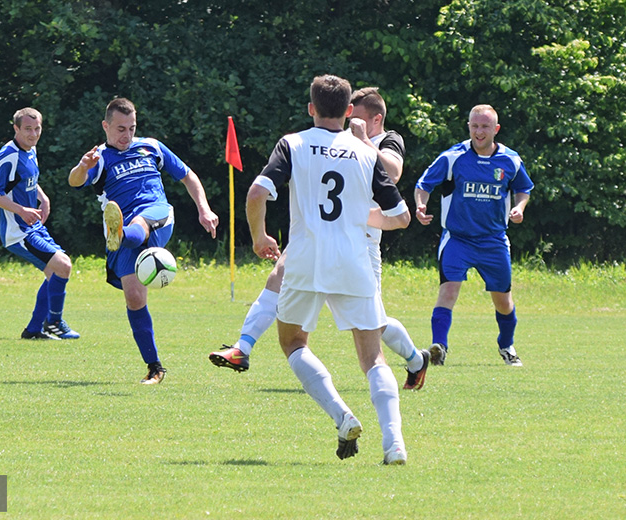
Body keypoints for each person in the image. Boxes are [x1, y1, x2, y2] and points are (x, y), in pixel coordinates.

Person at [210, 87, 430, 390]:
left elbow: (393, 172)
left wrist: (362, 139)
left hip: (360, 243)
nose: (351, 120)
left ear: (375, 120)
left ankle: (416, 359)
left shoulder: (385, 141)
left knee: (373, 324)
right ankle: (242, 348)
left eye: (359, 117)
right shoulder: (331, 142)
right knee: (278, 276)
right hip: (319, 235)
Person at [245, 75, 411, 464]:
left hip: (305, 261)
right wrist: (360, 216)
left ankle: (342, 415)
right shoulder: (366, 153)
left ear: (311, 109)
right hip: (354, 261)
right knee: (373, 359)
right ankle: (395, 445)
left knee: (293, 343)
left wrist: (259, 236)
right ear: (349, 112)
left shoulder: (294, 143)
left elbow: (256, 193)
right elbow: (400, 217)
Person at [68, 97, 219, 385]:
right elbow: (74, 181)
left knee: (137, 224)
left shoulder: (151, 147)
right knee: (135, 298)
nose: (126, 135)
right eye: (120, 129)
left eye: (131, 128)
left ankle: (121, 233)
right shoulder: (99, 158)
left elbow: (188, 176)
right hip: (124, 230)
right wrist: (82, 166)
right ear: (105, 126)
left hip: (157, 214)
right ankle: (155, 368)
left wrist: (204, 209)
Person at [414, 104, 533, 367]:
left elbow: (523, 188)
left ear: (496, 129)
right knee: (447, 292)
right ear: (469, 126)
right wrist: (420, 206)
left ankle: (506, 345)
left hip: (493, 241)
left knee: (503, 302)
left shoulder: (510, 160)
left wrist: (519, 207)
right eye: (475, 126)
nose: (479, 132)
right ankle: (439, 347)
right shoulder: (452, 157)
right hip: (457, 239)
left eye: (485, 126)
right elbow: (423, 184)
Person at [0, 108, 79, 341]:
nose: (33, 134)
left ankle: (34, 330)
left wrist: (42, 197)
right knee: (63, 265)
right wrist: (22, 210)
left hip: (32, 226)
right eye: (27, 129)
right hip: (18, 232)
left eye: (37, 129)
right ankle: (53, 323)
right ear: (16, 129)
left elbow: (25, 180)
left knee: (54, 274)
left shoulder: (31, 149)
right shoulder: (9, 155)